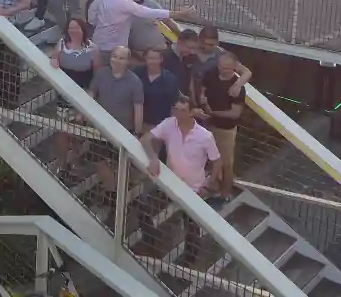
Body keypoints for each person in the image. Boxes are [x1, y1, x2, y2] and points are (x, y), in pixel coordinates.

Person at [141, 93, 225, 266]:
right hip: (169, 182)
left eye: (182, 111)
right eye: (175, 109)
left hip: (193, 189)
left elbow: (217, 162)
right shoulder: (169, 124)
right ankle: (150, 241)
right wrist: (153, 158)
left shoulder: (205, 136)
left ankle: (189, 264)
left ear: (191, 112)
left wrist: (209, 186)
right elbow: (145, 139)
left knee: (192, 229)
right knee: (144, 204)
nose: (177, 114)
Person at [89, 0, 195, 68]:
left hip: (99, 44)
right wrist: (178, 14)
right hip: (117, 50)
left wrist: (95, 23)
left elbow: (92, 12)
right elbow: (147, 12)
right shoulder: (125, 3)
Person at [88, 46, 144, 195]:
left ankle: (120, 192)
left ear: (128, 61)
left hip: (123, 131)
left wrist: (137, 133)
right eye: (114, 56)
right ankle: (111, 193)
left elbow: (138, 108)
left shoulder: (134, 82)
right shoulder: (101, 74)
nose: (116, 60)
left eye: (121, 58)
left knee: (120, 166)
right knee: (99, 162)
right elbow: (91, 93)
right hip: (100, 129)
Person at [196, 51, 245, 201]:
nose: (223, 70)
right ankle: (212, 186)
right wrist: (202, 99)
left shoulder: (238, 89)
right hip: (208, 124)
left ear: (234, 68)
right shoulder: (210, 74)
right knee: (208, 158)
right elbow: (202, 89)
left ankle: (225, 193)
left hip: (226, 130)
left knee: (226, 163)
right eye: (221, 67)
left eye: (227, 68)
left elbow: (235, 113)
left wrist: (213, 113)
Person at [49, 17, 96, 171]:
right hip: (64, 94)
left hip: (83, 95)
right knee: (63, 130)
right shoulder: (62, 43)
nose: (73, 31)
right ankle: (62, 161)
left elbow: (97, 72)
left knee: (78, 131)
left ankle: (75, 159)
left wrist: (91, 92)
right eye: (71, 28)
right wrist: (54, 60)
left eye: (77, 28)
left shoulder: (93, 49)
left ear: (83, 30)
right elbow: (54, 57)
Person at [135, 48, 180, 133]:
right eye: (150, 58)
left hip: (159, 125)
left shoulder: (170, 79)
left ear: (161, 59)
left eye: (155, 58)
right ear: (145, 58)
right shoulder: (137, 72)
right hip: (139, 121)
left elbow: (175, 104)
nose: (152, 61)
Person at [163, 28, 199, 97]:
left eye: (194, 48)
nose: (191, 51)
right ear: (179, 42)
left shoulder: (192, 58)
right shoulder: (164, 57)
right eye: (189, 48)